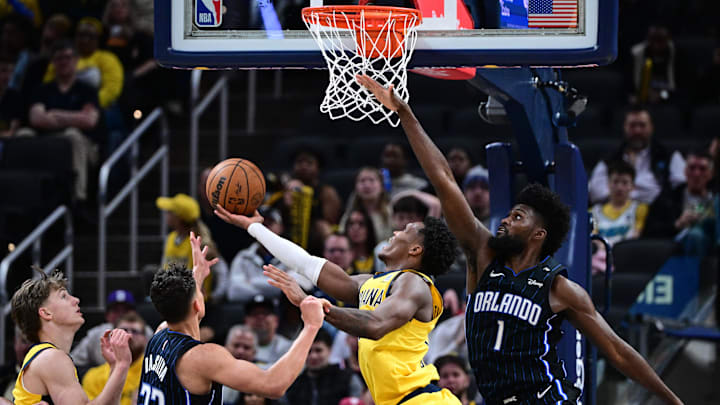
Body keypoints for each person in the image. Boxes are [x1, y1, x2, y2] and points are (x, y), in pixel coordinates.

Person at [354, 74, 682, 404]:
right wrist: (405, 114)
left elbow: (618, 352)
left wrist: (673, 400)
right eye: (510, 214)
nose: (506, 221)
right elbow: (444, 180)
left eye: (517, 217)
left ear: (538, 235)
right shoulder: (482, 256)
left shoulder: (559, 289)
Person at [214, 204, 462, 405]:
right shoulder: (377, 283)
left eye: (404, 231)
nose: (395, 232)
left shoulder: (414, 283)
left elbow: (375, 324)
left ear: (416, 249)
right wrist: (256, 229)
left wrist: (309, 303)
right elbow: (308, 264)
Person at [138, 232, 326, 404]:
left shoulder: (158, 336)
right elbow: (273, 385)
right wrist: (311, 326)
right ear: (197, 304)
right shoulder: (204, 358)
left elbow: (182, 307)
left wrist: (198, 273)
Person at [10, 269, 132, 404]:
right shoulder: (51, 358)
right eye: (63, 296)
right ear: (46, 313)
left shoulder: (47, 355)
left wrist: (115, 367)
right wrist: (122, 365)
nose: (76, 300)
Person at [23, 39, 102, 203]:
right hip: (47, 141)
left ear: (76, 60)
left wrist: (54, 114)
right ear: (53, 62)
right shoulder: (42, 89)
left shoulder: (87, 91)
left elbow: (89, 121)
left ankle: (79, 197)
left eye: (68, 57)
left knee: (72, 135)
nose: (64, 62)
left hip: (84, 145)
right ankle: (22, 191)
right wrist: (74, 117)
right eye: (59, 58)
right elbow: (36, 119)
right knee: (23, 134)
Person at [587, 106, 685, 205]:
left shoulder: (669, 155)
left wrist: (621, 193)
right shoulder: (610, 158)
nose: (637, 131)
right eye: (632, 125)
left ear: (651, 127)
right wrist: (628, 197)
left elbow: (682, 187)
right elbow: (595, 192)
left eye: (642, 125)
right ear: (624, 127)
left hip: (657, 215)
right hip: (617, 214)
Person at [228, 207, 311, 302]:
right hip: (253, 310)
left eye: (270, 223)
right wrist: (281, 285)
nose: (265, 228)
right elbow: (234, 292)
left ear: (281, 227)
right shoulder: (243, 257)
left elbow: (304, 285)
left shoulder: (293, 253)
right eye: (262, 225)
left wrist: (251, 282)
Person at [156, 193, 228, 302]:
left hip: (195, 303)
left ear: (179, 218)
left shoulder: (200, 242)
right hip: (172, 301)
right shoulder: (170, 238)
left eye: (170, 212)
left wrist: (215, 296)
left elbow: (221, 269)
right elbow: (164, 268)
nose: (166, 215)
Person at [644, 149, 715, 255]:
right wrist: (677, 225)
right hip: (674, 251)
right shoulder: (668, 198)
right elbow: (649, 231)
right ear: (685, 171)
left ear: (711, 174)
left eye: (702, 169)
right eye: (692, 168)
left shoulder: (716, 199)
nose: (696, 173)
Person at [72, 289, 153, 369]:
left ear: (135, 313)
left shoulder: (146, 331)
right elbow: (75, 361)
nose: (121, 314)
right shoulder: (96, 334)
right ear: (107, 315)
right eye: (115, 310)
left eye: (126, 310)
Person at [82, 312, 149, 405]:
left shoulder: (155, 373)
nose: (129, 335)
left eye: (135, 331)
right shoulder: (93, 377)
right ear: (112, 337)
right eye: (123, 331)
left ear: (145, 339)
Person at [285, 328, 364, 405]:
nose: (313, 356)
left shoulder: (348, 379)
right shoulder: (294, 385)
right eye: (308, 351)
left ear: (330, 350)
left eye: (318, 350)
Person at [591, 160, 649, 246]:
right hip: (601, 255)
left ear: (632, 186)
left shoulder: (640, 209)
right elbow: (594, 237)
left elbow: (636, 235)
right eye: (615, 182)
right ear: (608, 184)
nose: (619, 188)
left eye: (625, 183)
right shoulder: (594, 213)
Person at [340, 167, 394, 242]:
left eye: (371, 180)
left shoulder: (391, 213)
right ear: (356, 187)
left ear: (381, 186)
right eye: (362, 181)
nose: (367, 185)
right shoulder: (349, 215)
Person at [243, 294, 293, 364]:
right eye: (254, 313)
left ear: (276, 320)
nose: (260, 317)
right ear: (246, 321)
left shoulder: (288, 348)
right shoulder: (236, 346)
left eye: (265, 313)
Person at [222, 325, 266, 404]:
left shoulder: (264, 374)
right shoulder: (212, 368)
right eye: (236, 345)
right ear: (226, 347)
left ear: (254, 352)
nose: (240, 351)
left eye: (246, 347)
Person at [0, 327, 31, 401]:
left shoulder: (48, 382)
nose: (29, 347)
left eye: (34, 342)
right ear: (15, 342)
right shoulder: (2, 375)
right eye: (24, 341)